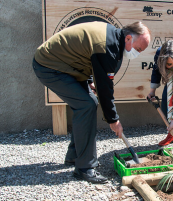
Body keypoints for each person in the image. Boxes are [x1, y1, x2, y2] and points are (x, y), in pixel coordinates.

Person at [33, 21, 151, 184]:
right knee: (86, 105)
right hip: (49, 66)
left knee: (88, 103)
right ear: (129, 38)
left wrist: (88, 80)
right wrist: (113, 120)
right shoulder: (107, 45)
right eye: (138, 49)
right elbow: (105, 89)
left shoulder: (113, 38)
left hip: (67, 66)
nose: (137, 53)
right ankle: (84, 168)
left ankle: (75, 156)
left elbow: (82, 53)